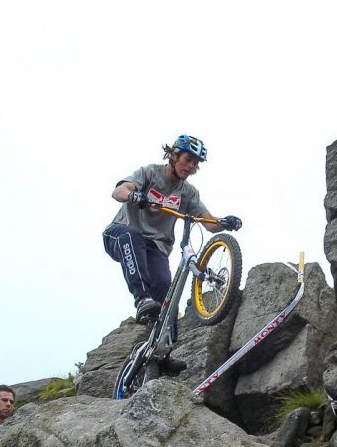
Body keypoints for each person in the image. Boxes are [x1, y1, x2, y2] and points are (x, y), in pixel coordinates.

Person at [103, 134, 242, 326]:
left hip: (156, 247)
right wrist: (133, 196)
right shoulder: (150, 173)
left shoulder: (188, 192)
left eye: (196, 163)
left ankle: (164, 346)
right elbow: (118, 191)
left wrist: (224, 222)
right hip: (121, 232)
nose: (191, 166)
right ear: (174, 155)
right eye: (188, 159)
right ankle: (142, 298)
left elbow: (209, 223)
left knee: (165, 288)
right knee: (131, 236)